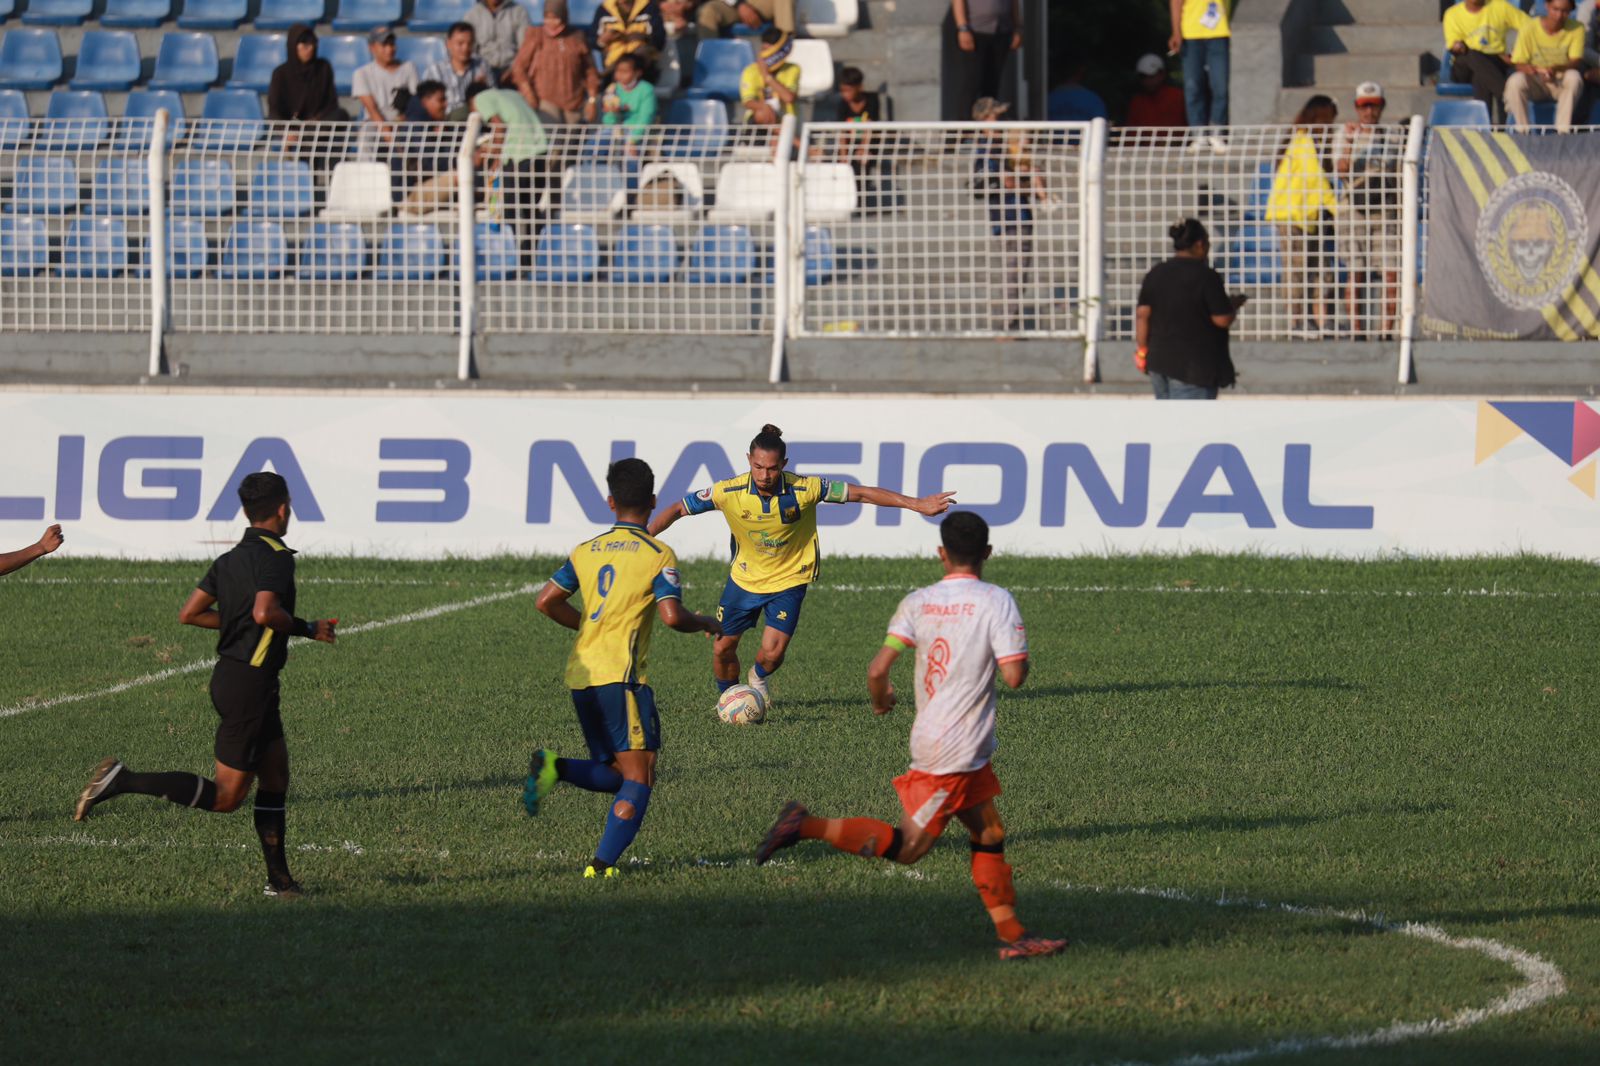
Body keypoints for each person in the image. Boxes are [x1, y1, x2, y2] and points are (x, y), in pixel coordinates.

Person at [754, 511, 1068, 963]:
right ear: (988, 553)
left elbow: (878, 668)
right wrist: (1018, 657)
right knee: (909, 848)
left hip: (947, 743)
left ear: (941, 554)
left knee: (990, 830)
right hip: (953, 752)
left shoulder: (918, 602)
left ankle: (1013, 934)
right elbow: (1015, 676)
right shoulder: (996, 601)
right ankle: (804, 825)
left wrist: (881, 700)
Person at [72, 473, 337, 898]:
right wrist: (307, 627)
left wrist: (238, 620)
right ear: (283, 509)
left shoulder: (230, 560)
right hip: (248, 685)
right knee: (227, 798)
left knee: (276, 777)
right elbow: (266, 612)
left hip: (246, 681)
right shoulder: (277, 557)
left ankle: (281, 884)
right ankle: (124, 780)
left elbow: (190, 613)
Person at [648, 424, 956, 707]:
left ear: (783, 464)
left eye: (771, 468)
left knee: (773, 652)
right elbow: (678, 508)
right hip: (744, 581)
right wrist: (641, 537)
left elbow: (860, 493)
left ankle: (757, 678)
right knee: (722, 649)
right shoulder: (727, 492)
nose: (764, 475)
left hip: (789, 580)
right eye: (757, 467)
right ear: (748, 460)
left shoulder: (806, 488)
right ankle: (729, 700)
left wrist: (916, 504)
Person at [523, 458, 721, 879]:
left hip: (581, 675)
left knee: (615, 774)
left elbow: (546, 602)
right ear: (653, 502)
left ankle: (554, 767)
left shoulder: (586, 550)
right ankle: (602, 866)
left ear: (610, 502)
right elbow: (670, 616)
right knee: (640, 775)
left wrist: (590, 626)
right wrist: (704, 621)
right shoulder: (657, 552)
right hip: (621, 678)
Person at [1134, 217, 1242, 400]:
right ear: (1200, 244)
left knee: (1167, 423)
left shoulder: (1156, 273)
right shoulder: (1206, 277)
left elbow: (1142, 315)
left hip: (1159, 362)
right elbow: (1221, 319)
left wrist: (1142, 350)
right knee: (1191, 425)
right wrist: (1233, 306)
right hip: (1194, 367)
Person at [1264, 94, 1338, 338]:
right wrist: (1339, 209)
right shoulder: (1304, 140)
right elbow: (1316, 180)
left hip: (1309, 216)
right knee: (1298, 269)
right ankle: (1298, 322)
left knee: (1319, 267)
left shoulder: (1300, 139)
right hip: (1293, 215)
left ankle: (1321, 320)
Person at [973, 95, 1047, 335]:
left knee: (1018, 269)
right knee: (1014, 269)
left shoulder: (1005, 145)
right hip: (1008, 215)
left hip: (1018, 214)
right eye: (997, 116)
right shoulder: (989, 149)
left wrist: (1029, 179)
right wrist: (1028, 183)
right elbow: (1006, 182)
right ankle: (1008, 321)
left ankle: (1011, 317)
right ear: (984, 120)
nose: (1003, 120)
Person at [1333, 82, 1399, 338]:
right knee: (1355, 272)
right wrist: (1350, 141)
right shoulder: (1343, 133)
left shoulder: (1392, 136)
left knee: (1391, 273)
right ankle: (1357, 332)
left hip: (1384, 209)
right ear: (1356, 108)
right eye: (1364, 106)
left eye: (1374, 106)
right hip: (1353, 209)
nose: (1369, 112)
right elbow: (1341, 170)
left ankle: (1385, 331)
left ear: (1382, 106)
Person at [510, 0, 602, 125]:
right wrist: (528, 93)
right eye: (547, 18)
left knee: (573, 139)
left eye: (555, 18)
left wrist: (591, 100)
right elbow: (519, 68)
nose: (551, 23)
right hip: (544, 100)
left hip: (574, 102)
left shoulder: (577, 37)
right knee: (553, 137)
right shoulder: (536, 35)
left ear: (563, 17)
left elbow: (590, 72)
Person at [471, 87, 550, 230]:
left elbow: (500, 126)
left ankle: (512, 246)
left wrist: (495, 158)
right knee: (531, 209)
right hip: (540, 150)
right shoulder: (512, 94)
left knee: (510, 209)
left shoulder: (480, 98)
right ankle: (532, 249)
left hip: (518, 154)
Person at [1443, 0, 1530, 123]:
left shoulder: (1501, 7)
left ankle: (1486, 130)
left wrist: (1518, 52)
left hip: (1493, 63)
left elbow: (1531, 27)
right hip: (1464, 65)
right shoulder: (1452, 14)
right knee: (1472, 54)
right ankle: (1505, 95)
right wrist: (1458, 47)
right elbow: (1456, 46)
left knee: (1481, 77)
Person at [1505, 0, 1585, 132]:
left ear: (1571, 11)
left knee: (1574, 76)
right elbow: (1519, 63)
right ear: (1547, 6)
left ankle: (1563, 131)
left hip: (1560, 81)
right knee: (1515, 81)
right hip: (1535, 80)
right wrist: (1537, 70)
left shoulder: (1577, 28)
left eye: (1564, 11)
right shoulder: (1529, 27)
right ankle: (1523, 131)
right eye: (1555, 9)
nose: (1559, 15)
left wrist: (1555, 69)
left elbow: (1575, 61)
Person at [1168, 0, 1230, 150]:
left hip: (1219, 32)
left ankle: (1217, 132)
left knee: (1220, 86)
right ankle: (1198, 134)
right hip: (1191, 34)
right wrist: (1176, 31)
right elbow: (1176, 2)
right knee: (1193, 86)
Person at [948, 0, 1021, 123]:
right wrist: (963, 27)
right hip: (975, 31)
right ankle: (963, 130)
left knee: (992, 83)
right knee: (972, 82)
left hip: (1002, 30)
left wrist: (1018, 27)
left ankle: (988, 129)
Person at [353, 25, 420, 154]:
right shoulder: (361, 73)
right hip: (375, 122)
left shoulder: (409, 67)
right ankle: (366, 173)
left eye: (391, 44)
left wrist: (401, 121)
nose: (389, 49)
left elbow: (415, 100)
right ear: (372, 47)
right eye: (384, 45)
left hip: (403, 120)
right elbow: (372, 110)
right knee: (366, 137)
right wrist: (389, 136)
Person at [267, 24, 344, 129]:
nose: (310, 49)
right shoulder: (280, 73)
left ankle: (305, 137)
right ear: (293, 46)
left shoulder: (323, 68)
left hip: (317, 125)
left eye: (313, 44)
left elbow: (331, 103)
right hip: (290, 126)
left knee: (340, 115)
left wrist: (316, 119)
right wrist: (287, 130)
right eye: (305, 45)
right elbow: (274, 110)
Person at [423, 21, 496, 119]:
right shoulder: (434, 71)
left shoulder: (482, 66)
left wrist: (482, 88)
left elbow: (494, 96)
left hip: (476, 120)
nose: (465, 48)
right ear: (448, 44)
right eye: (460, 43)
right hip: (446, 123)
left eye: (470, 43)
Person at [590, 0, 666, 78]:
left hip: (643, 66)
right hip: (612, 64)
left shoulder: (649, 7)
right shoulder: (603, 9)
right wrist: (603, 40)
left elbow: (659, 39)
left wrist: (641, 37)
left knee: (641, 53)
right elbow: (593, 41)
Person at [739, 28, 800, 125]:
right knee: (762, 114)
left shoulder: (792, 69)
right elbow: (748, 101)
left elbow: (788, 98)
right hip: (758, 120)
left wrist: (767, 76)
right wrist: (764, 107)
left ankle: (791, 139)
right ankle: (796, 141)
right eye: (763, 49)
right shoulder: (750, 71)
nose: (763, 55)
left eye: (768, 50)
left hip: (785, 118)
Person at [599, 52, 658, 151]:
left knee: (630, 156)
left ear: (638, 73)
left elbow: (646, 118)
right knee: (594, 146)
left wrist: (633, 140)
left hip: (637, 132)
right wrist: (613, 113)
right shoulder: (612, 89)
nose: (620, 75)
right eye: (618, 71)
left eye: (625, 71)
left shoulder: (647, 90)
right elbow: (608, 122)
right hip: (615, 130)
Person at [464, 0, 532, 82]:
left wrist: (514, 70)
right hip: (483, 71)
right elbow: (469, 50)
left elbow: (526, 48)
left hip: (512, 69)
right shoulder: (472, 15)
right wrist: (479, 71)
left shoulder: (519, 12)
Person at [1124, 52, 1187, 129]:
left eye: (1152, 76)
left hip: (1178, 140)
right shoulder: (1137, 102)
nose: (1148, 80)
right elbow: (1131, 134)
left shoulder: (1178, 96)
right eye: (1143, 76)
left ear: (1162, 74)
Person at [697, 0, 795, 39]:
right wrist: (739, 5)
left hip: (763, 4)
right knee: (707, 12)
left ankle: (784, 47)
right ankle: (711, 66)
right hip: (730, 4)